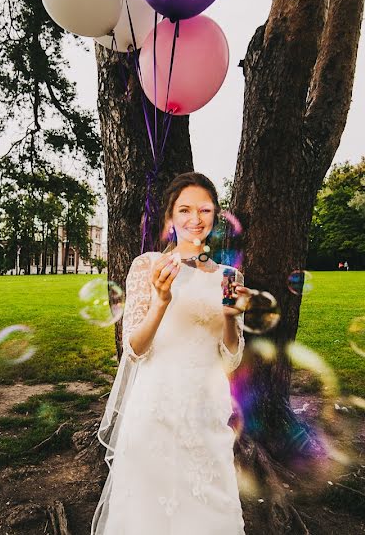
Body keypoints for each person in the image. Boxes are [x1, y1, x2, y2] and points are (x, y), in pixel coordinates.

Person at [93, 172, 246, 535]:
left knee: (212, 510)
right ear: (170, 217)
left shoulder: (229, 275)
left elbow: (231, 357)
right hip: (156, 405)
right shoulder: (148, 266)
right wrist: (160, 302)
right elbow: (134, 348)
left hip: (207, 407)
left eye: (205, 210)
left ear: (216, 216)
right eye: (185, 209)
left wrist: (228, 316)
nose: (196, 219)